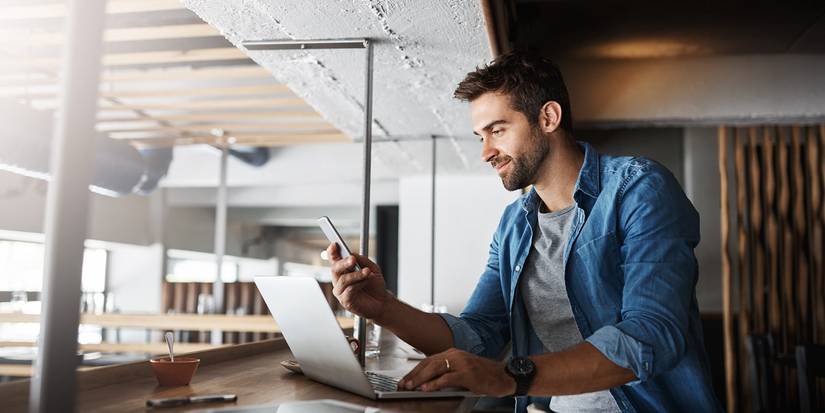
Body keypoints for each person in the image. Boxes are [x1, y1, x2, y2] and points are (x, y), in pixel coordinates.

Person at [327, 52, 722, 413]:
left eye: (497, 130)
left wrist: (509, 376)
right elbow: (479, 335)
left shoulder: (638, 188)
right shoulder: (514, 225)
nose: (485, 152)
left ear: (548, 118)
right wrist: (384, 309)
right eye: (481, 136)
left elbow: (652, 334)